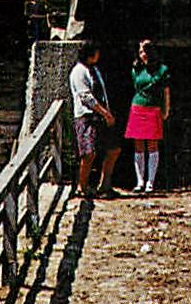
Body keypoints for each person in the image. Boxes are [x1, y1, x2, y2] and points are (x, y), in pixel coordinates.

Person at [68, 46, 121, 198]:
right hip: (87, 116)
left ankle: (105, 185)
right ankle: (82, 187)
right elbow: (86, 97)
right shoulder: (79, 72)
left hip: (101, 115)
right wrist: (105, 113)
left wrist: (106, 112)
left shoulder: (95, 70)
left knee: (113, 148)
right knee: (88, 153)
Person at [125, 38, 171, 194]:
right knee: (138, 145)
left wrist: (166, 109)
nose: (142, 54)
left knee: (152, 145)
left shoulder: (162, 70)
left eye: (145, 51)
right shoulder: (136, 69)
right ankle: (140, 182)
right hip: (138, 107)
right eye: (140, 52)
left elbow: (166, 91)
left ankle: (150, 182)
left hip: (153, 108)